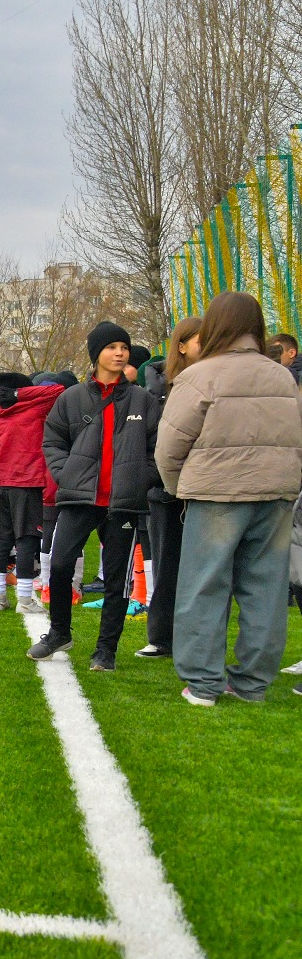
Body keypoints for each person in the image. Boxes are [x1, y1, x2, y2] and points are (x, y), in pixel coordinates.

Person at [154, 292, 302, 704]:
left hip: (216, 494)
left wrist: (178, 487)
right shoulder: (282, 377)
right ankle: (252, 683)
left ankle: (203, 683)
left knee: (204, 586)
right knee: (266, 590)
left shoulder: (200, 376)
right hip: (275, 493)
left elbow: (169, 447)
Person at [28, 321, 160, 671]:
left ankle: (106, 651)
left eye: (124, 347)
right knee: (59, 565)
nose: (120, 353)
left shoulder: (143, 400)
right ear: (96, 353)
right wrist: (65, 474)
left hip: (123, 503)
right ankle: (59, 632)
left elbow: (157, 448)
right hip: (79, 499)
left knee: (117, 581)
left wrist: (140, 480)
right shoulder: (71, 398)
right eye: (112, 347)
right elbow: (52, 441)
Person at [136, 319, 201, 659]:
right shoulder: (157, 387)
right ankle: (161, 636)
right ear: (182, 346)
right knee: (166, 564)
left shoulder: (212, 379)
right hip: (165, 489)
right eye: (200, 341)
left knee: (205, 571)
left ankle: (198, 640)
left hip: (203, 488)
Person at [0, 372, 64, 612]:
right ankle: (25, 600)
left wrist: (8, 395)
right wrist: (21, 394)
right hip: (27, 481)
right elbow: (58, 390)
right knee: (27, 539)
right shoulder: (33, 411)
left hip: (2, 482)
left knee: (2, 540)